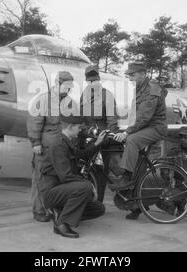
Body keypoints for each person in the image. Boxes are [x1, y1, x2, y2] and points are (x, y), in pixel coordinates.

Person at [39, 114, 108, 238]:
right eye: (78, 127)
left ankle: (61, 213)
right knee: (84, 187)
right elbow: (66, 176)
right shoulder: (58, 144)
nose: (80, 129)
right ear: (70, 127)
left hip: (62, 191)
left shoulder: (66, 142)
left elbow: (81, 154)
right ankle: (61, 224)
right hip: (51, 192)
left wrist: (96, 144)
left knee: (98, 208)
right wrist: (91, 186)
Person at [26, 71, 76, 222]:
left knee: (60, 179)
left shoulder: (71, 103)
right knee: (40, 179)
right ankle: (39, 211)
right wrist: (35, 143)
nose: (67, 90)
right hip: (45, 147)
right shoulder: (43, 100)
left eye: (70, 87)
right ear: (57, 84)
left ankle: (56, 209)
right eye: (65, 87)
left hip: (62, 148)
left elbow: (74, 125)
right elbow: (34, 122)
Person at [111, 62, 168, 192]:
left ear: (143, 74)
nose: (130, 79)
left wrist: (127, 132)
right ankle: (134, 178)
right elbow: (136, 116)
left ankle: (127, 176)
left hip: (156, 127)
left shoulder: (151, 90)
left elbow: (144, 117)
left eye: (132, 75)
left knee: (132, 140)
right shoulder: (140, 88)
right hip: (146, 127)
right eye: (129, 76)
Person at [79, 65, 123, 200]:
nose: (92, 84)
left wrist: (107, 136)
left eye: (95, 81)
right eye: (90, 81)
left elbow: (112, 120)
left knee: (100, 171)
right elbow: (81, 119)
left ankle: (99, 201)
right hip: (88, 138)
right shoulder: (84, 96)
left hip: (103, 138)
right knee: (84, 169)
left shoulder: (106, 95)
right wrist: (87, 131)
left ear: (99, 80)